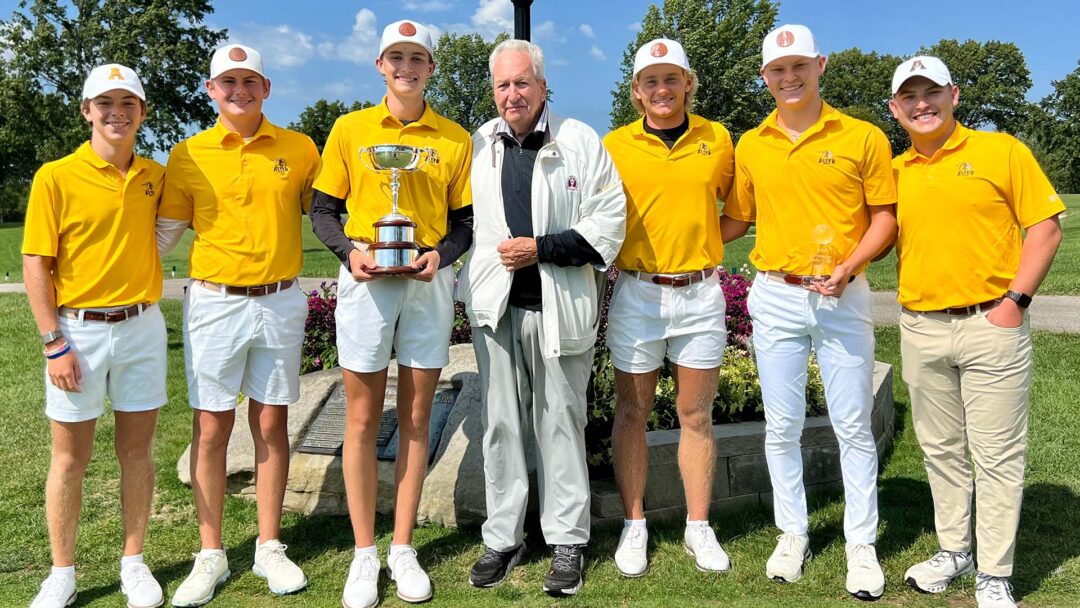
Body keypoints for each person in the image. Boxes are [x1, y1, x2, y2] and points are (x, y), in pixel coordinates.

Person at [726, 24, 897, 600]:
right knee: (782, 426)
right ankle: (792, 533)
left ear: (820, 65)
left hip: (842, 294)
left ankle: (861, 543)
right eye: (778, 69)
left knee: (852, 424)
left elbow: (885, 218)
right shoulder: (751, 144)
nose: (789, 77)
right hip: (774, 293)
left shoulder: (863, 135)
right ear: (764, 76)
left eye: (799, 65)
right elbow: (735, 220)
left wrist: (849, 265)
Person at [888, 55, 1064, 608]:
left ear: (954, 95)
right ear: (895, 109)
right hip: (920, 326)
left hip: (992, 323)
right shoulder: (894, 171)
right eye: (909, 96)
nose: (922, 104)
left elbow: (1046, 226)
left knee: (996, 454)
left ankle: (994, 572)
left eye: (932, 92)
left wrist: (1014, 302)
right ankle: (953, 550)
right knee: (940, 450)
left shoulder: (1001, 150)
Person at [309, 19, 473, 608]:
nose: (406, 67)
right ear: (380, 65)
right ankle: (363, 553)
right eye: (395, 57)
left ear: (431, 67)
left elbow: (464, 224)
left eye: (417, 58)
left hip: (427, 284)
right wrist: (350, 254)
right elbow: (324, 209)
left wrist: (439, 255)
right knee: (359, 418)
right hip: (366, 282)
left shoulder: (455, 138)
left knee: (416, 416)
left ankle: (401, 546)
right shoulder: (350, 129)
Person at [458, 38, 626, 597]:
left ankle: (567, 540)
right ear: (494, 91)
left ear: (543, 86)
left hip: (560, 309)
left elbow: (610, 222)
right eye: (503, 85)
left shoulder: (579, 141)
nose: (513, 94)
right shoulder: (479, 144)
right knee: (501, 427)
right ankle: (504, 537)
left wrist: (544, 248)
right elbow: (462, 222)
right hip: (496, 309)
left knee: (560, 425)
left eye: (522, 83)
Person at [158, 44, 320, 606]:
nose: (240, 91)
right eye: (228, 82)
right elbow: (163, 237)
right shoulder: (188, 154)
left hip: (279, 299)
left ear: (266, 88)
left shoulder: (300, 149)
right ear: (211, 91)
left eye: (249, 81)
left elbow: (326, 212)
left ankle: (269, 546)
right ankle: (211, 554)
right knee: (210, 429)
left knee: (272, 424)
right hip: (214, 303)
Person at [602, 37, 748, 577]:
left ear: (688, 82)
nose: (662, 89)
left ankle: (698, 526)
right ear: (637, 93)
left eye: (671, 79)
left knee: (695, 414)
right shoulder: (614, 144)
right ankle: (634, 524)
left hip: (701, 292)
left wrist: (704, 242)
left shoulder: (719, 138)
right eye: (650, 81)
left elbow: (738, 212)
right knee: (633, 412)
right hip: (637, 292)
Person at [23, 64, 167, 608]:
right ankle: (62, 571)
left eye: (128, 103)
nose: (117, 112)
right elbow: (36, 260)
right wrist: (52, 341)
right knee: (69, 458)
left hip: (142, 327)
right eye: (104, 102)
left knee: (137, 451)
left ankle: (134, 562)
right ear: (87, 111)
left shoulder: (155, 175)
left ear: (142, 113)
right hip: (76, 332)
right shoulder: (55, 176)